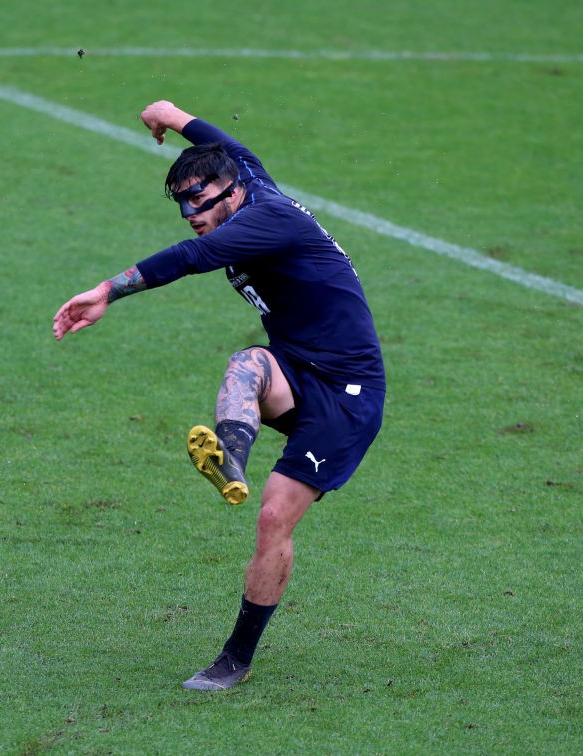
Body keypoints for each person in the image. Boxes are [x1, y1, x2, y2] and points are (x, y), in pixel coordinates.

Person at [52, 100, 386, 691]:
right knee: (247, 362)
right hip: (296, 369)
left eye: (199, 202)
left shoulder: (268, 219)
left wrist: (107, 289)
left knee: (273, 519)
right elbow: (227, 144)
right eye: (181, 204)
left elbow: (191, 259)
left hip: (346, 396)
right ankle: (230, 460)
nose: (190, 214)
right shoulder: (243, 178)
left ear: (231, 195)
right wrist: (172, 114)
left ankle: (236, 657)